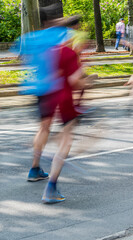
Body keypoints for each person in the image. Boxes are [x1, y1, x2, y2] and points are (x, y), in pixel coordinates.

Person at [14, 6, 85, 203]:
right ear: (52, 20)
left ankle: (35, 167)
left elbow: (22, 58)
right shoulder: (60, 34)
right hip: (57, 87)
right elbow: (72, 51)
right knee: (66, 134)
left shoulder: (29, 38)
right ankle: (50, 182)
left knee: (43, 128)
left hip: (38, 88)